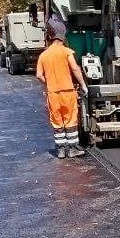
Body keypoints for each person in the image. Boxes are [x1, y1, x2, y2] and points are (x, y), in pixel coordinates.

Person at [36, 19, 88, 159]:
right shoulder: (66, 52)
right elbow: (75, 69)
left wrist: (49, 83)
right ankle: (72, 149)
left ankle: (60, 150)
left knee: (57, 121)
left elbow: (39, 75)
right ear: (63, 37)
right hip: (67, 92)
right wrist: (83, 85)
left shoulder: (44, 55)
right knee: (70, 120)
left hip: (53, 94)